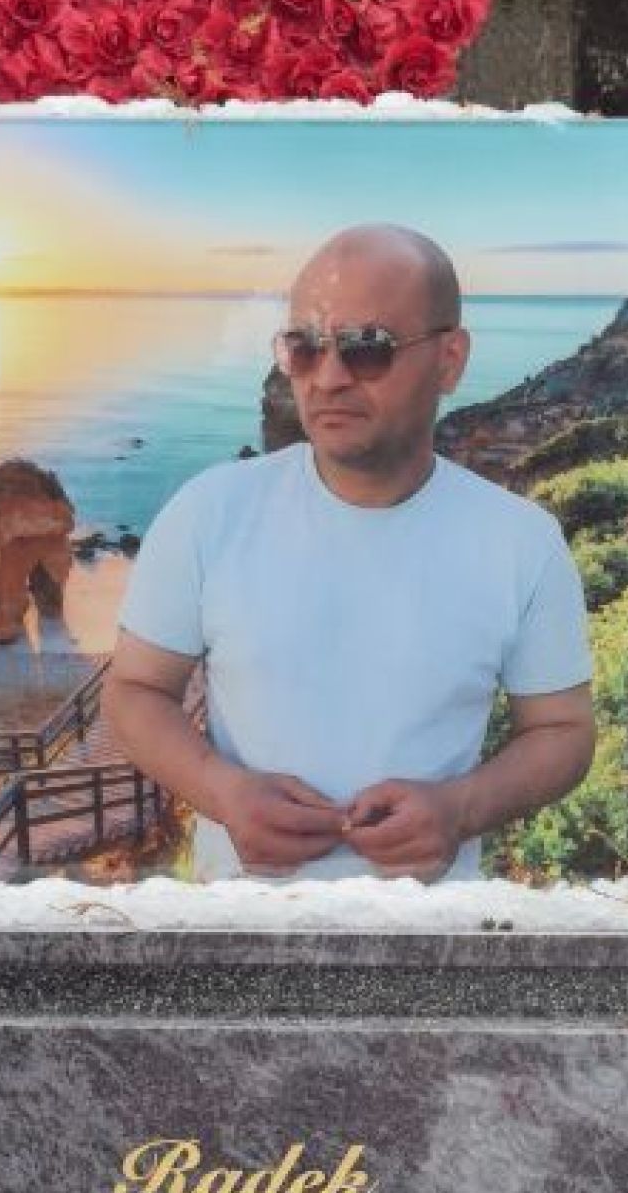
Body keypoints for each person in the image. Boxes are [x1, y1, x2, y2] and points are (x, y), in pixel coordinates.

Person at [102, 224, 597, 880]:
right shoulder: (210, 512)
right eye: (304, 348)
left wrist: (459, 809)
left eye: (368, 348)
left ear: (449, 360)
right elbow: (134, 691)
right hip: (240, 931)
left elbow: (564, 731)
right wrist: (223, 793)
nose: (329, 378)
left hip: (428, 934)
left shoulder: (521, 542)